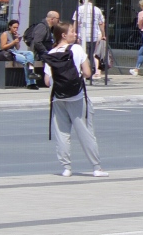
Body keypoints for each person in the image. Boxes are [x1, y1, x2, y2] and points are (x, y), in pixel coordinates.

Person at [44, 22, 106, 177]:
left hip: (58, 98)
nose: (75, 34)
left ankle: (66, 168)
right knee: (85, 132)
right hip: (77, 96)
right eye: (72, 31)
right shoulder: (77, 49)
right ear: (63, 35)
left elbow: (46, 81)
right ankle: (96, 167)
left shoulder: (51, 53)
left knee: (62, 133)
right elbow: (87, 73)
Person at [24, 11, 61, 89]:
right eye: (58, 19)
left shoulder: (50, 28)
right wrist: (46, 52)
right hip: (38, 53)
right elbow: (37, 42)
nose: (59, 20)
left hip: (43, 53)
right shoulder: (42, 27)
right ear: (52, 19)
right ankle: (52, 81)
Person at [72, 0, 107, 75]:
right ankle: (90, 70)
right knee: (91, 54)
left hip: (82, 35)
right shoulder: (97, 10)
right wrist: (103, 34)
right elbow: (101, 23)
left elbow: (76, 22)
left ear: (84, 0)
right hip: (93, 35)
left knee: (83, 53)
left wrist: (74, 33)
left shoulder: (80, 9)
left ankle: (83, 70)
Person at [0, 20, 39, 86]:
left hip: (15, 51)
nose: (15, 29)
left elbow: (17, 48)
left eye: (17, 27)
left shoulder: (14, 35)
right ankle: (30, 83)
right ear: (9, 26)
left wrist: (17, 40)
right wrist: (13, 42)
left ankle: (31, 72)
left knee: (30, 53)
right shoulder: (5, 34)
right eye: (14, 27)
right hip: (9, 52)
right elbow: (3, 47)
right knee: (25, 61)